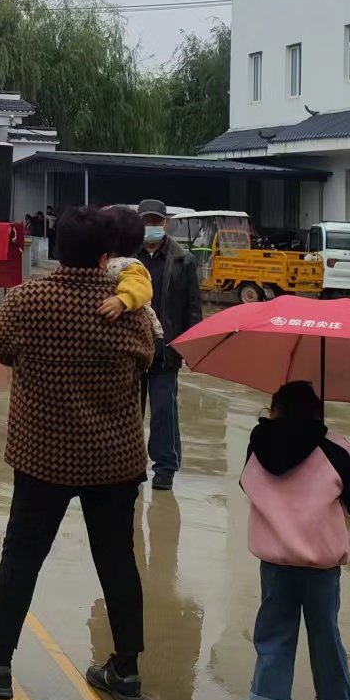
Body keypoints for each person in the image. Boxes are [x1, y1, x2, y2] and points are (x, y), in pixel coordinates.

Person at [0, 205, 156, 700]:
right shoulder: (128, 306)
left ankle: (0, 662)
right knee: (117, 560)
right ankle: (126, 670)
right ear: (105, 256)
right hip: (114, 459)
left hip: (43, 456)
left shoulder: (27, 300)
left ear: (57, 251)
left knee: (22, 556)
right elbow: (147, 358)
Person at [242, 381, 350, 700]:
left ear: (275, 409)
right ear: (317, 411)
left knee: (274, 631)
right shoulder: (334, 449)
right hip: (321, 565)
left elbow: (246, 484)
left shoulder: (258, 444)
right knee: (325, 634)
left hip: (275, 562)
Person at [135, 198, 203, 491]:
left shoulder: (182, 260)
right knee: (129, 412)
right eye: (145, 221)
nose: (150, 226)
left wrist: (190, 347)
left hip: (166, 350)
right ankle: (131, 465)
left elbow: (192, 307)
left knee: (164, 410)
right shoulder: (126, 259)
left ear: (166, 223)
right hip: (133, 350)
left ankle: (165, 467)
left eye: (155, 221)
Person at [98, 206, 163, 339]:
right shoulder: (108, 261)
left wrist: (122, 301)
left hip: (141, 328)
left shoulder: (128, 265)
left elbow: (141, 287)